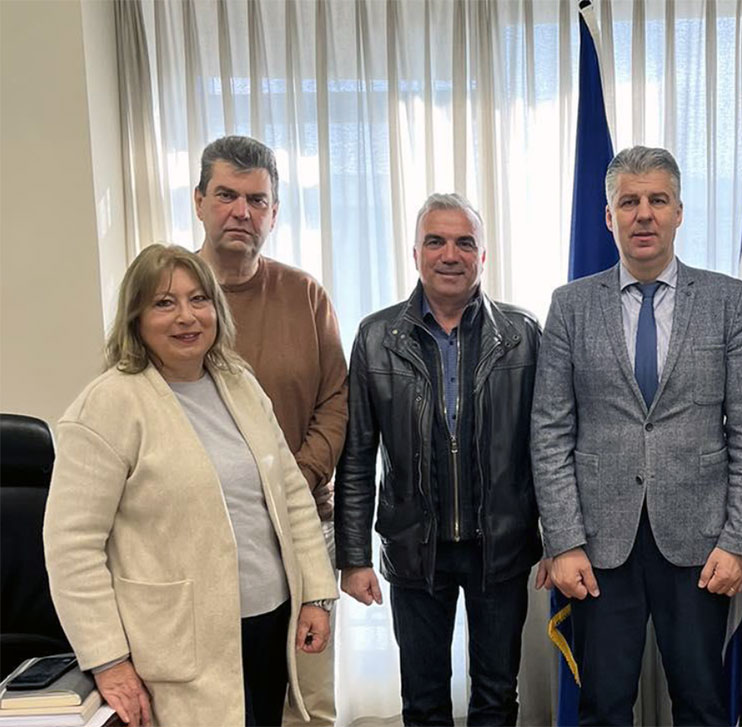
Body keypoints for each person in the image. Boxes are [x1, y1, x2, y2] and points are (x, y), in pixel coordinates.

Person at [44, 244, 337, 727]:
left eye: (199, 299)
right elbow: (71, 547)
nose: (186, 316)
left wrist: (315, 595)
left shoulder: (238, 383)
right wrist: (108, 659)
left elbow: (290, 497)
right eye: (164, 303)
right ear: (136, 318)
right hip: (179, 642)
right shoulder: (108, 405)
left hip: (269, 623)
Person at [532, 146, 742, 726]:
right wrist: (564, 541)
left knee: (702, 704)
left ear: (679, 212)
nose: (644, 214)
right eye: (629, 202)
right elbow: (549, 431)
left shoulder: (726, 301)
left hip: (701, 543)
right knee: (603, 706)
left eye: (658, 200)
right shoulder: (570, 306)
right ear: (608, 216)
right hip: (598, 544)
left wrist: (739, 540)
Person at [336, 193, 545, 726]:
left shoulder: (522, 335)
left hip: (501, 546)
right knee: (423, 701)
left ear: (483, 256)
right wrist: (354, 557)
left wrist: (558, 539)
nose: (450, 255)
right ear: (415, 254)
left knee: (496, 697)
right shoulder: (376, 338)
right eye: (436, 242)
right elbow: (357, 456)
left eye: (464, 243)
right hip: (414, 547)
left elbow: (546, 446)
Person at [194, 135, 348, 727]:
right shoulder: (172, 300)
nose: (242, 211)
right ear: (199, 201)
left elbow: (336, 401)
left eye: (257, 200)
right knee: (219, 701)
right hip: (205, 533)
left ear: (274, 213)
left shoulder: (304, 295)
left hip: (306, 525)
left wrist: (292, 480)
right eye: (226, 195)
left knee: (309, 702)